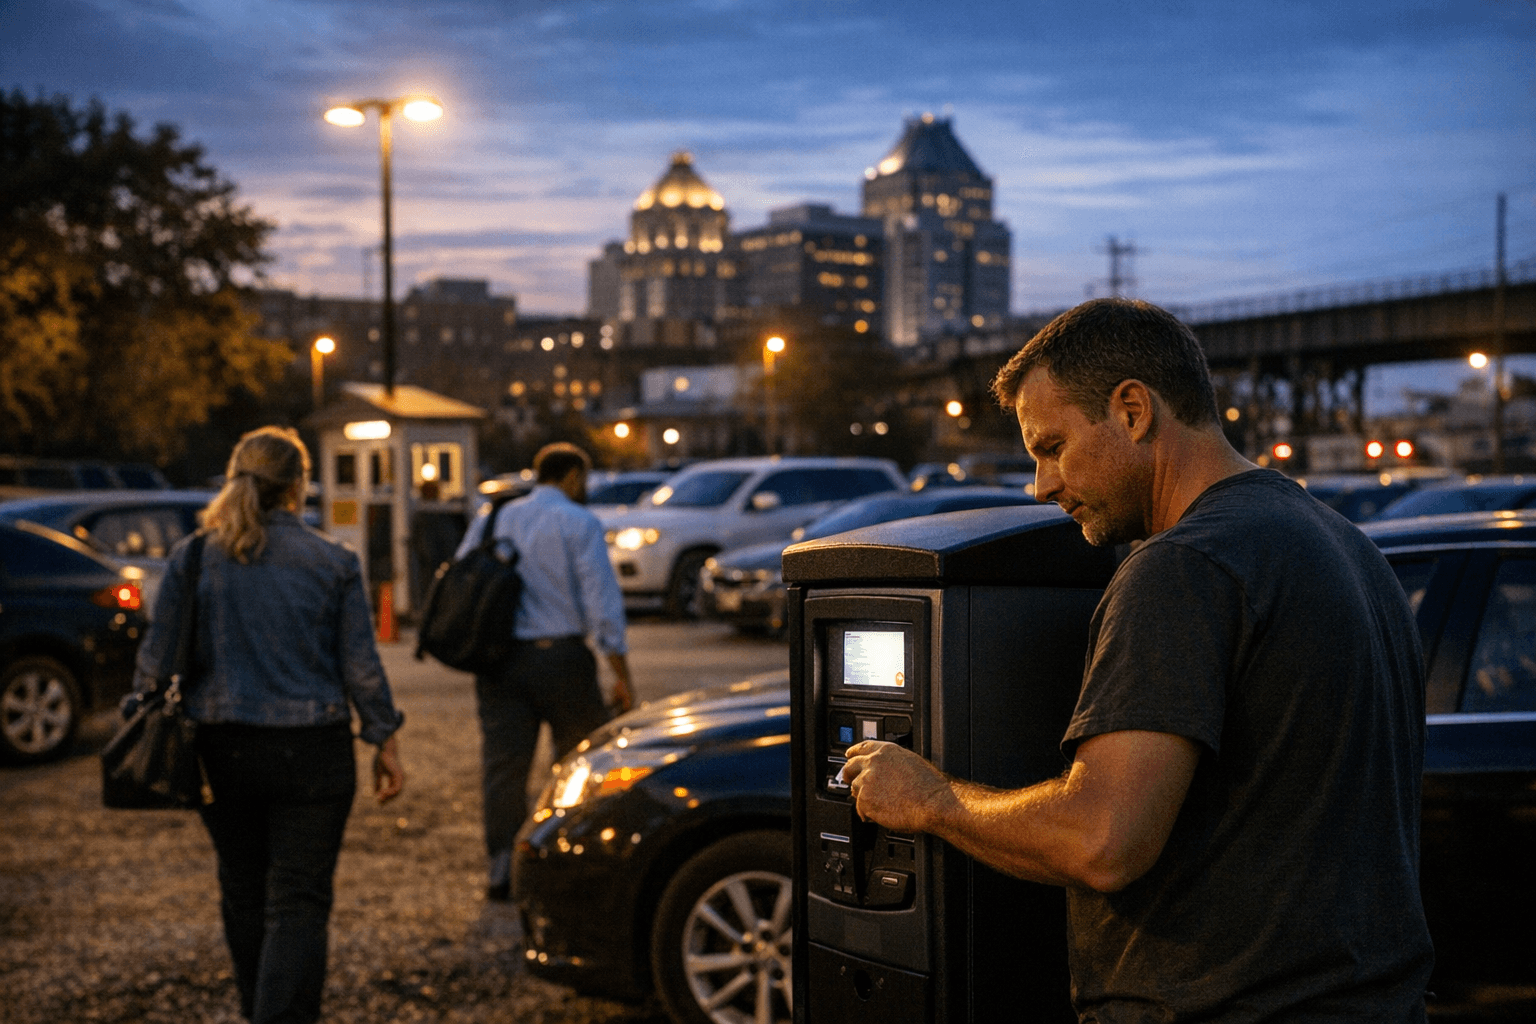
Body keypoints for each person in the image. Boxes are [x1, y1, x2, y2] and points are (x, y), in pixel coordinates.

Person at [841, 299, 1433, 1021]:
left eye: (1051, 446)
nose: (1041, 485)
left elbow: (1104, 840)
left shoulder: (1183, 565)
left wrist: (929, 800)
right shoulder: (1348, 548)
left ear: (1131, 410)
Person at [131, 426, 405, 1024]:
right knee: (299, 903)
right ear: (298, 487)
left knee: (244, 894)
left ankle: (262, 1009)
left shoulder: (194, 557)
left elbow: (154, 663)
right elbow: (361, 666)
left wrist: (142, 717)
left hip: (220, 751)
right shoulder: (333, 563)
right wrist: (383, 737)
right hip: (312, 753)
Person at [456, 442, 635, 900]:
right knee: (580, 760)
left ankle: (502, 870)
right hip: (562, 659)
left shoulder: (492, 518)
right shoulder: (579, 522)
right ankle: (572, 861)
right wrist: (620, 672)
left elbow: (462, 576)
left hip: (500, 662)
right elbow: (602, 604)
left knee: (503, 769)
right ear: (573, 476)